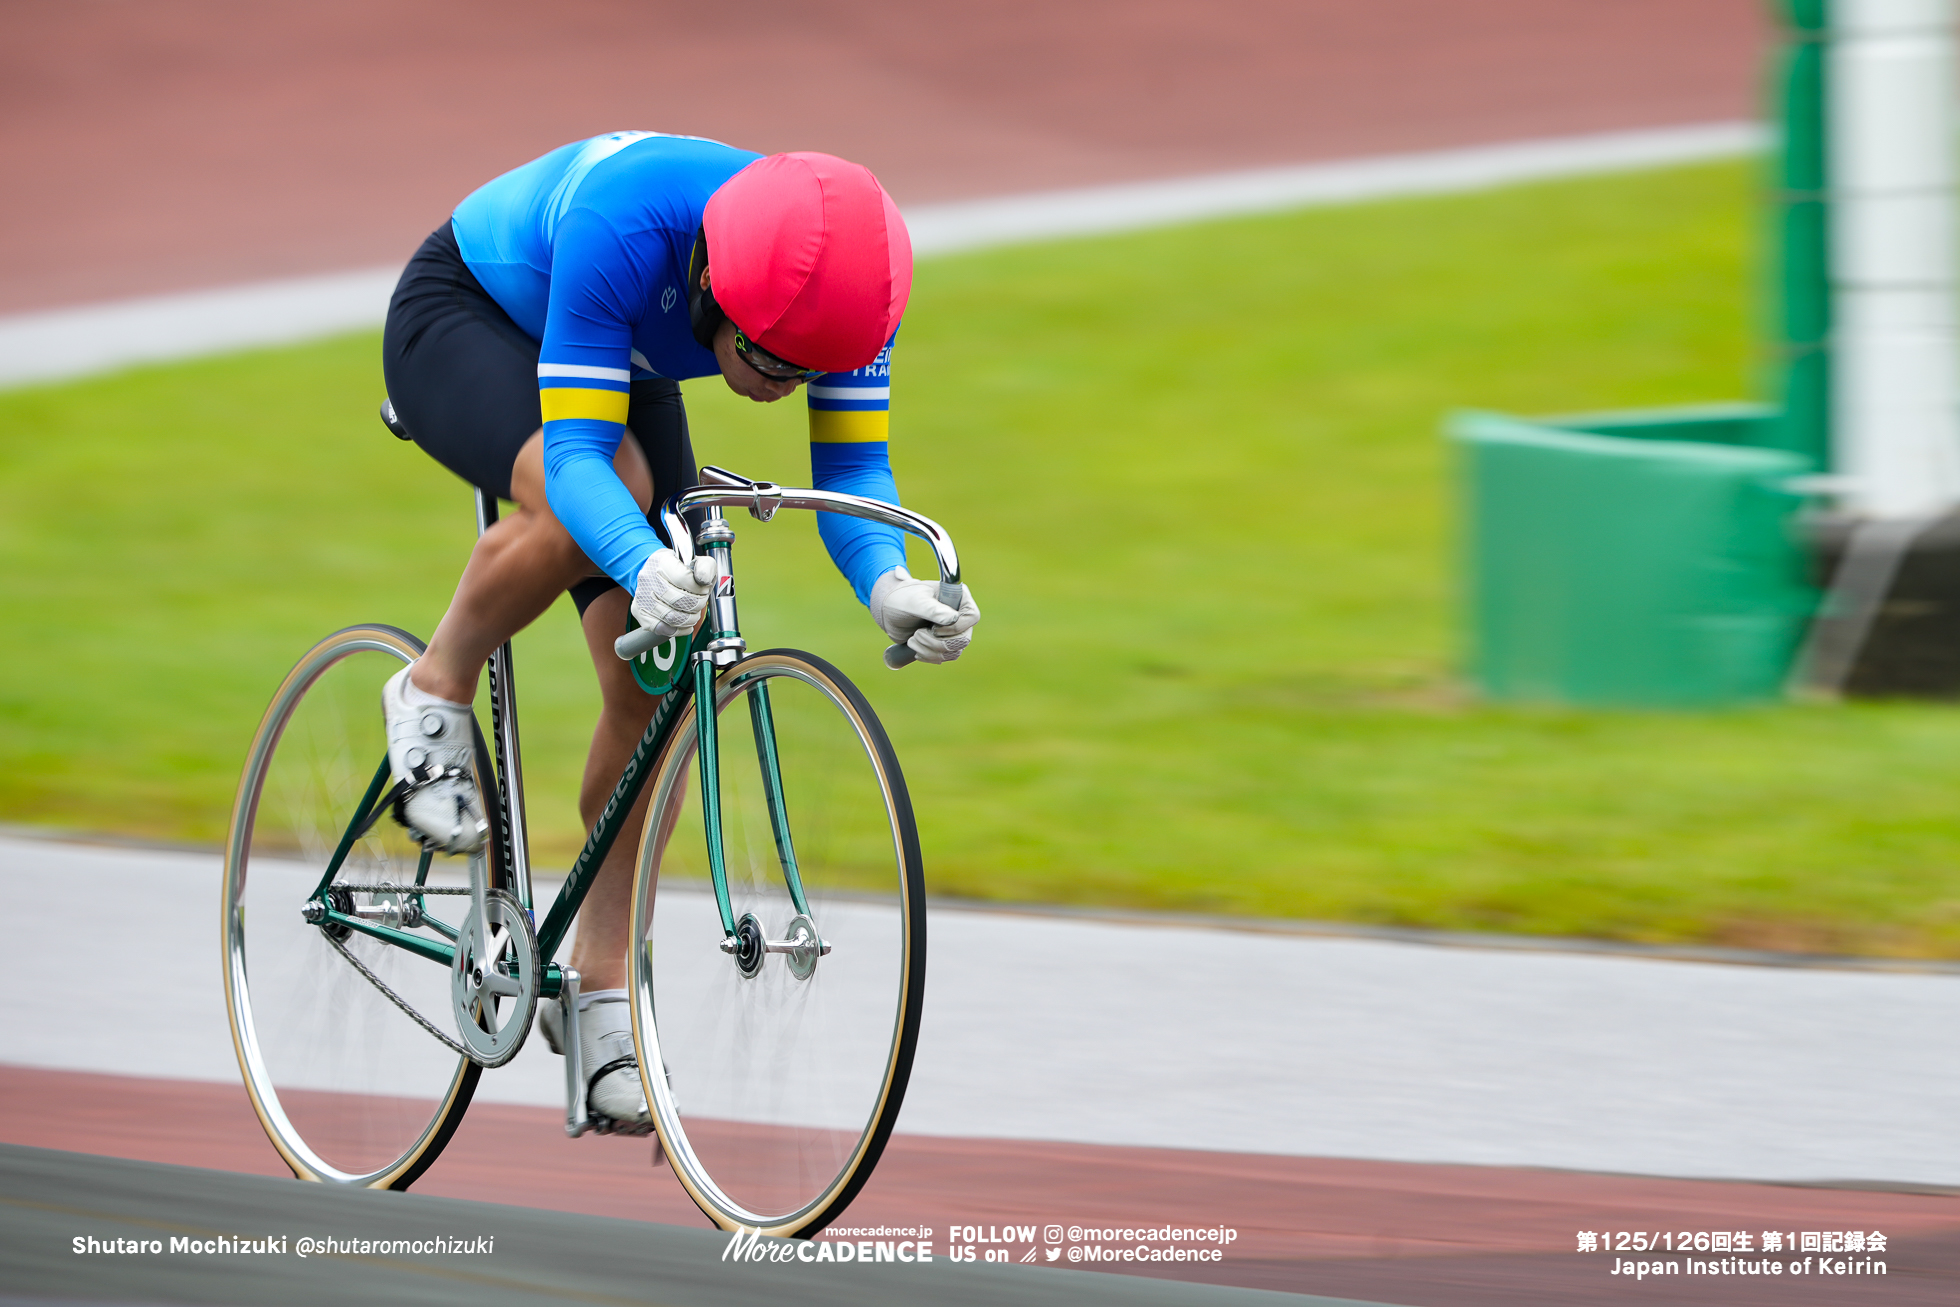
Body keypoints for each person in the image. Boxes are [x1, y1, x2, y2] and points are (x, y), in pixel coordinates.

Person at [378, 132, 981, 1132]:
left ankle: (603, 986)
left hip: (623, 345)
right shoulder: (630, 217)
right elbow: (575, 454)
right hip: (473, 315)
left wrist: (887, 586)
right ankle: (433, 687)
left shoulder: (850, 288)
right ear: (710, 286)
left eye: (812, 370)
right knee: (611, 499)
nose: (788, 385)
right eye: (771, 362)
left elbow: (851, 476)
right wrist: (642, 561)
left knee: (658, 685)